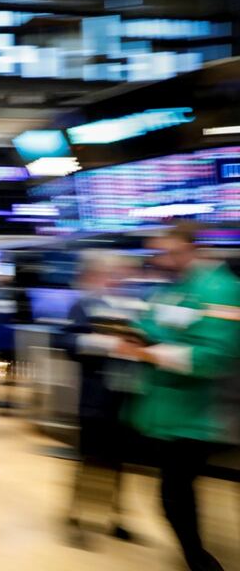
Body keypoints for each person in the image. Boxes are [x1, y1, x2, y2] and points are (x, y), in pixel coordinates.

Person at [115, 223, 240, 571]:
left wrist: (149, 354)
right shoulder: (169, 290)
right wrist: (136, 337)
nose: (160, 261)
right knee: (175, 497)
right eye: (156, 253)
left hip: (204, 416)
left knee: (174, 497)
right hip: (166, 416)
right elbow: (153, 326)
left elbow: (212, 358)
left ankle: (201, 563)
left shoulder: (223, 290)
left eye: (167, 253)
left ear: (192, 250)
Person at [56, 251, 137, 546]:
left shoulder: (133, 307)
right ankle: (77, 516)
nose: (120, 279)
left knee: (119, 462)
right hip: (95, 398)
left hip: (125, 396)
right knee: (89, 460)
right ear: (96, 275)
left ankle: (115, 516)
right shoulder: (83, 305)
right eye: (114, 274)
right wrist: (105, 344)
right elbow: (64, 340)